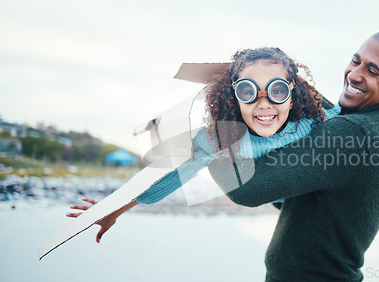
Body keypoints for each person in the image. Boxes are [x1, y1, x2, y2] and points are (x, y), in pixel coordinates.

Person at [207, 31, 379, 281]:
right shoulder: (372, 127)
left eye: (373, 71)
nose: (354, 74)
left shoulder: (355, 133)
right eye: (355, 60)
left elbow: (245, 187)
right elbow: (286, 196)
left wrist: (205, 145)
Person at [67, 47, 340, 242]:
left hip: (311, 195)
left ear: (293, 94)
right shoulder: (221, 139)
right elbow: (168, 176)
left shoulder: (314, 123)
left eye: (277, 90)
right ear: (233, 96)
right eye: (248, 91)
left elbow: (347, 112)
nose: (264, 102)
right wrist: (113, 211)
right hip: (280, 200)